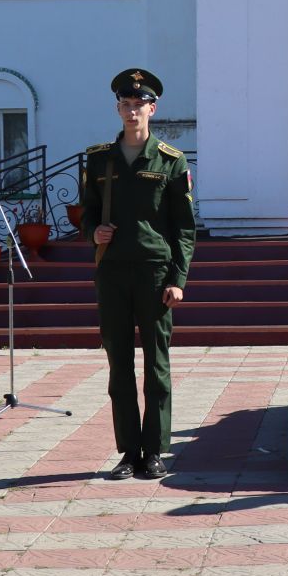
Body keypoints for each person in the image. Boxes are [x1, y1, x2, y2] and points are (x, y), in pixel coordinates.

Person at [81, 68, 198, 480]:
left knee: (157, 366)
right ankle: (129, 452)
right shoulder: (98, 159)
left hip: (153, 272)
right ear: (118, 108)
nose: (132, 112)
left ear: (153, 108)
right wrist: (92, 231)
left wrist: (177, 280)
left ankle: (156, 451)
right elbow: (88, 214)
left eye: (139, 105)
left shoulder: (170, 160)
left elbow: (184, 228)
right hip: (111, 271)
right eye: (125, 105)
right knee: (119, 366)